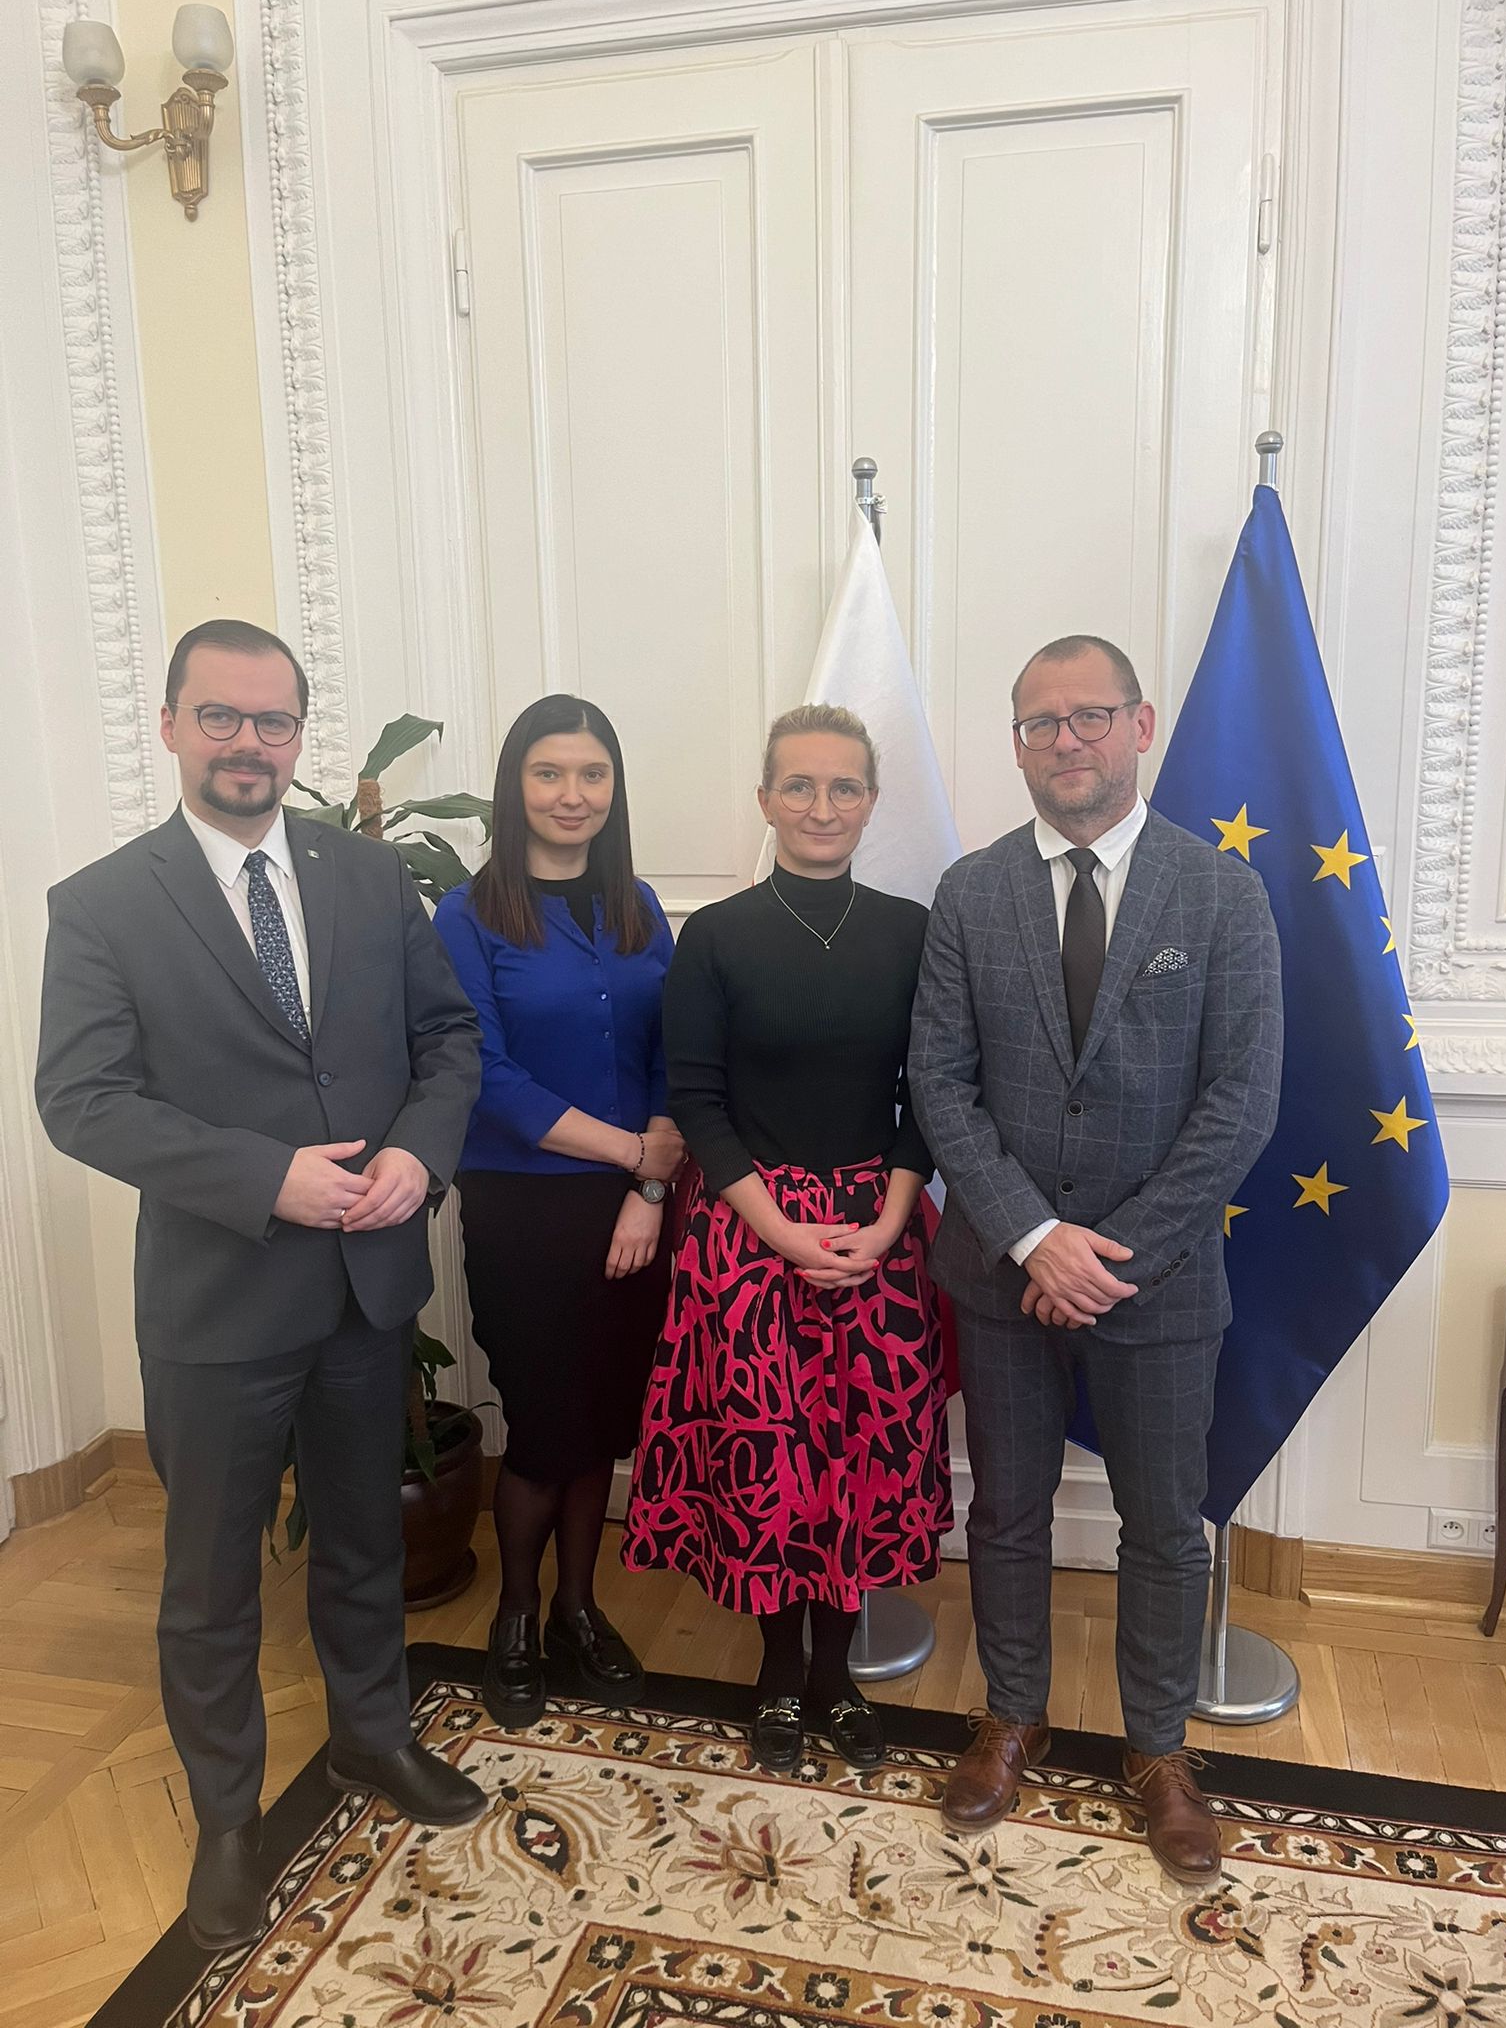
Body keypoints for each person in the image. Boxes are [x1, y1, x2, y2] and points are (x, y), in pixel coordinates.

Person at [34, 619, 486, 1953]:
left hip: (364, 1288)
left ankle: (370, 1737)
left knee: (363, 1542)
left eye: (273, 720)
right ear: (170, 725)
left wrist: (416, 1153)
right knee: (212, 1578)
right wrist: (262, 1176)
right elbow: (81, 1099)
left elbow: (447, 1039)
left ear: (299, 734)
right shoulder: (102, 903)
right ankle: (228, 1817)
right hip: (218, 1305)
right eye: (221, 716)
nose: (248, 743)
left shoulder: (368, 877)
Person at [908, 635, 1282, 1886]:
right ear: (1017, 743)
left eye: (1089, 716)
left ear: (1141, 724)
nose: (1065, 740)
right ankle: (1012, 1715)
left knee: (1164, 1525)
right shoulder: (970, 892)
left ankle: (1159, 1749)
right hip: (1000, 1271)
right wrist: (1033, 1236)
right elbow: (940, 1084)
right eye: (1039, 722)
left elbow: (1242, 1101)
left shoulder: (1221, 893)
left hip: (1157, 1280)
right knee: (1006, 1508)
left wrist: (1109, 1254)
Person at [623, 704, 952, 1775]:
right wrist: (780, 1231)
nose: (821, 806)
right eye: (799, 785)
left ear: (871, 801)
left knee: (854, 1461)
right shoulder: (716, 936)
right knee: (769, 1460)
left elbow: (933, 1093)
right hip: (747, 1232)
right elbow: (698, 1100)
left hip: (875, 1233)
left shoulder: (913, 931)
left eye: (843, 786)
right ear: (765, 799)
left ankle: (834, 1676)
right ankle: (776, 1672)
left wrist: (887, 1221)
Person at [433, 694, 683, 1730]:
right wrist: (632, 1152)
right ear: (516, 785)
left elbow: (676, 1050)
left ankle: (580, 1608)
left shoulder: (639, 904)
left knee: (601, 1424)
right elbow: (485, 1074)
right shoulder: (467, 914)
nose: (571, 794)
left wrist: (651, 1188)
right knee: (543, 1426)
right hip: (523, 1209)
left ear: (613, 787)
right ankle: (518, 1617)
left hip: (640, 1210)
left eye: (591, 773)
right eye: (549, 772)